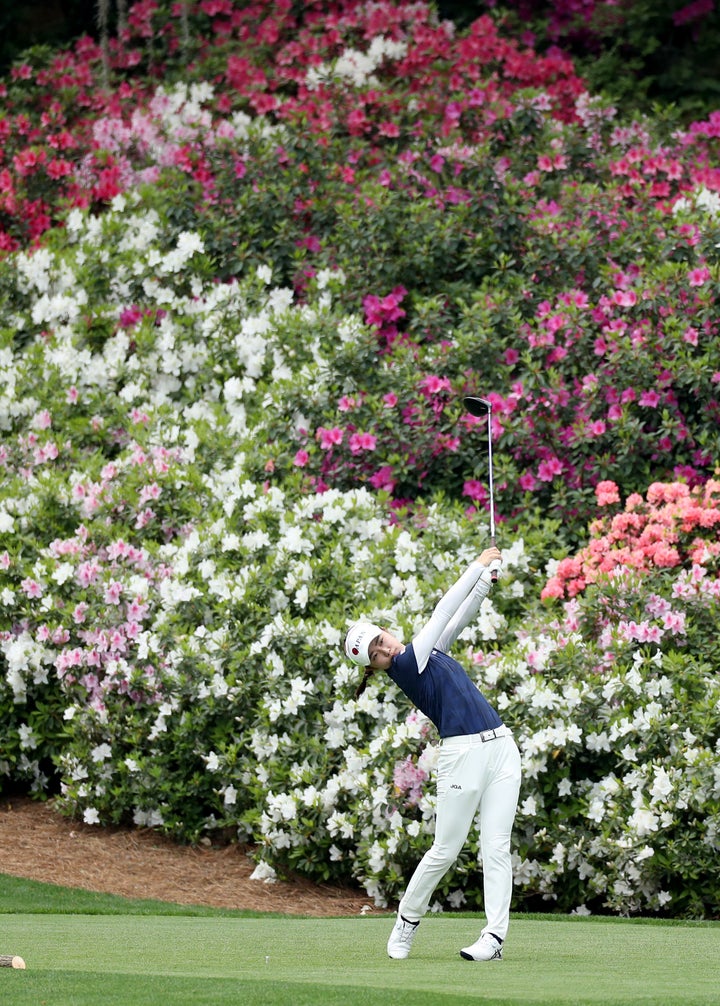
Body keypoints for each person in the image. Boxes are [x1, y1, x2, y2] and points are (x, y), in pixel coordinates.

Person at [344, 546, 521, 962]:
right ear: (376, 665)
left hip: (501, 747)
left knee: (495, 846)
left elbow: (460, 614)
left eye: (379, 640)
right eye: (374, 654)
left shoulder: (427, 651)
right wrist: (476, 564)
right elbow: (443, 610)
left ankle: (493, 939)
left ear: (385, 631)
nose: (383, 649)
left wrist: (484, 581)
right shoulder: (407, 665)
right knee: (445, 849)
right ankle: (406, 921)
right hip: (463, 756)